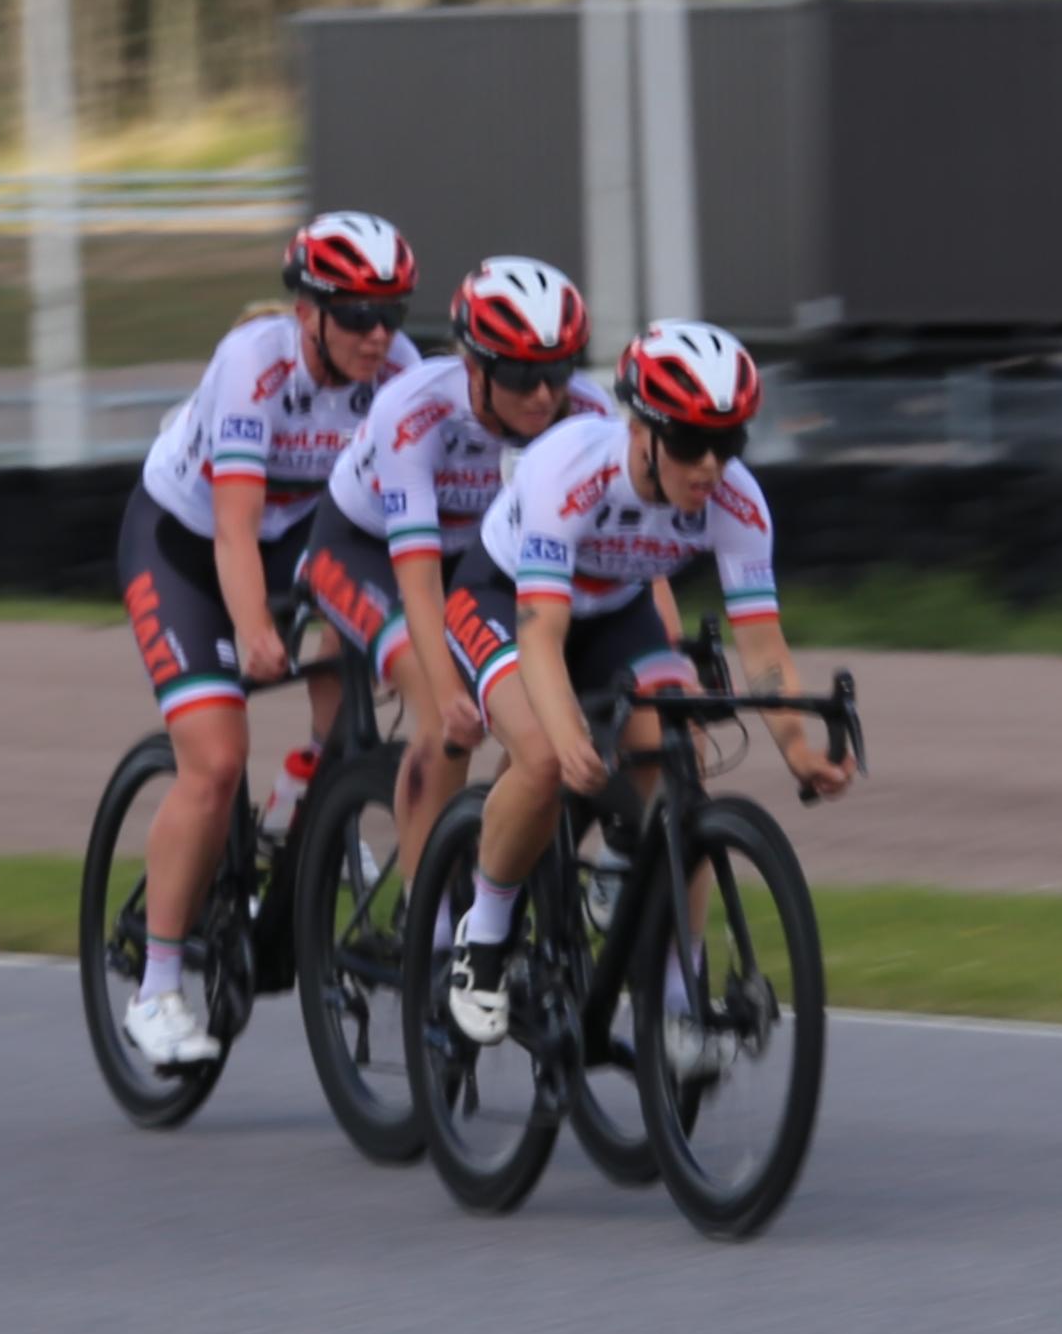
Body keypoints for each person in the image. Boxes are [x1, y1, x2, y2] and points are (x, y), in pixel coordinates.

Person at [438, 319, 848, 1051]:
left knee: (680, 755)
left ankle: (676, 996)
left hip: (614, 610)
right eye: (690, 442)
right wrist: (566, 734)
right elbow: (541, 635)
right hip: (504, 597)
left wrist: (797, 749)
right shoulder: (571, 470)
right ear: (641, 431)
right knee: (542, 756)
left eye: (728, 442)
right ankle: (485, 935)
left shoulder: (737, 500)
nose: (710, 465)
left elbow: (763, 646)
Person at [113, 209, 416, 1071]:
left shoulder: (400, 371)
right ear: (308, 312)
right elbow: (234, 529)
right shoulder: (255, 364)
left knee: (355, 679)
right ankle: (157, 989)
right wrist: (252, 629)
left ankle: (308, 808)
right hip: (186, 541)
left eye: (392, 312)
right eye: (357, 314)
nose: (378, 334)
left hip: (298, 535)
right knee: (214, 761)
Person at [298, 252, 603, 888]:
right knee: (445, 716)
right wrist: (446, 692)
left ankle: (498, 856)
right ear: (474, 366)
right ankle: (425, 915)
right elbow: (418, 579)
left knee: (551, 711)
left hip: (472, 558)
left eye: (557, 372)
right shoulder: (416, 412)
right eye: (520, 374)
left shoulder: (586, 414)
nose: (543, 395)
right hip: (362, 549)